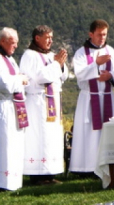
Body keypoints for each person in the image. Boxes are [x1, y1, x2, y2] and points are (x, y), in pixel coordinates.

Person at [69, 19, 114, 174]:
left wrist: (111, 76)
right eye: (99, 34)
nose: (102, 38)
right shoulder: (81, 53)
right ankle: (87, 167)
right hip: (89, 97)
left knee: (107, 130)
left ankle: (109, 165)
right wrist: (96, 64)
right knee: (90, 133)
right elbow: (79, 74)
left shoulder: (110, 50)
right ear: (91, 34)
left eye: (105, 34)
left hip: (107, 95)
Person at [20, 25, 69, 185]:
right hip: (38, 102)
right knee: (41, 137)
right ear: (37, 38)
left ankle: (50, 173)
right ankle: (38, 174)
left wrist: (61, 65)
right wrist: (56, 64)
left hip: (52, 100)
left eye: (51, 37)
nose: (50, 41)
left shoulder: (49, 55)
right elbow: (41, 77)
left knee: (52, 137)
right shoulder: (30, 55)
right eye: (47, 37)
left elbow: (62, 77)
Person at [0, 28, 29, 191]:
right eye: (13, 42)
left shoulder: (7, 58)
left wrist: (21, 80)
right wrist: (20, 79)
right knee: (1, 143)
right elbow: (1, 83)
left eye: (17, 42)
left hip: (11, 107)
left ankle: (10, 180)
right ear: (3, 41)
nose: (16, 46)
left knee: (11, 144)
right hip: (0, 107)